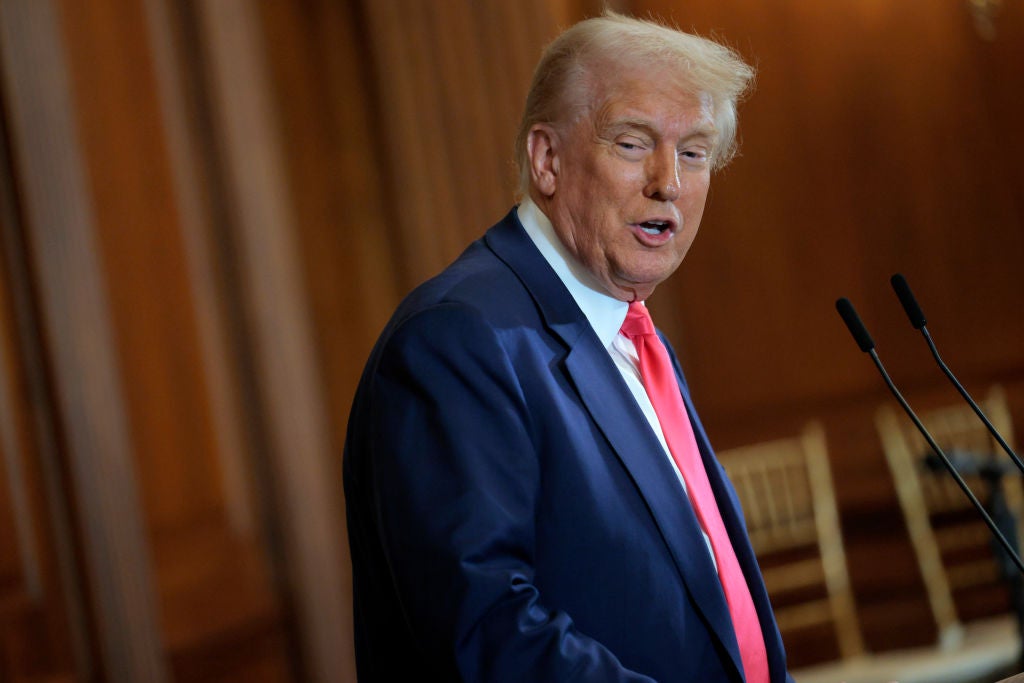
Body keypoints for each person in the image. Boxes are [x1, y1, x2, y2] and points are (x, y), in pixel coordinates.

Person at [344, 10, 792, 682]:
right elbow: (487, 632)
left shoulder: (629, 333)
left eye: (694, 151)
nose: (669, 182)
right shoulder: (459, 341)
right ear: (547, 160)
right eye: (634, 143)